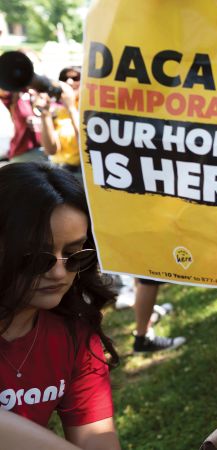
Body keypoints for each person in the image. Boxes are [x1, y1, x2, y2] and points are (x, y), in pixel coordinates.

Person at [0, 163, 121, 449]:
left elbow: (97, 441)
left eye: (74, 255)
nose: (58, 273)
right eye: (34, 258)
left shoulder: (74, 335)